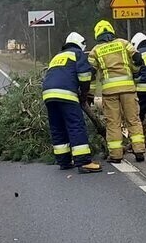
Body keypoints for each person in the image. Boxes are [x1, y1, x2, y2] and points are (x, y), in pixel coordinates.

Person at [41, 32, 102, 174]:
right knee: (75, 125)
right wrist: (84, 95)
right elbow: (85, 76)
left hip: (48, 94)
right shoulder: (77, 54)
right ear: (81, 44)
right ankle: (84, 162)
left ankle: (64, 161)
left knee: (57, 127)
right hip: (66, 94)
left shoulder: (57, 57)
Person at [88, 20, 146, 163]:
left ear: (97, 34)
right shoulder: (123, 43)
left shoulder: (95, 51)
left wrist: (89, 94)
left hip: (110, 92)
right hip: (128, 89)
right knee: (133, 120)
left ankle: (116, 155)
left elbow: (90, 74)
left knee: (113, 123)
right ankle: (139, 150)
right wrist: (136, 72)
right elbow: (138, 59)